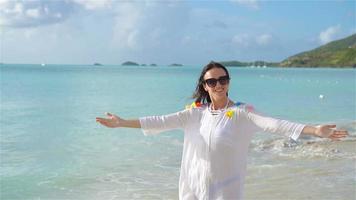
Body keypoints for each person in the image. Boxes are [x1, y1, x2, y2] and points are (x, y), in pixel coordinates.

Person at [95, 61, 348, 200]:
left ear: (229, 82)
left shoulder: (242, 112)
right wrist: (122, 122)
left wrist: (314, 130)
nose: (218, 84)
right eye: (212, 81)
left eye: (223, 80)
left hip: (225, 193)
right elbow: (159, 121)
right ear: (204, 86)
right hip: (191, 191)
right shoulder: (194, 113)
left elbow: (275, 124)